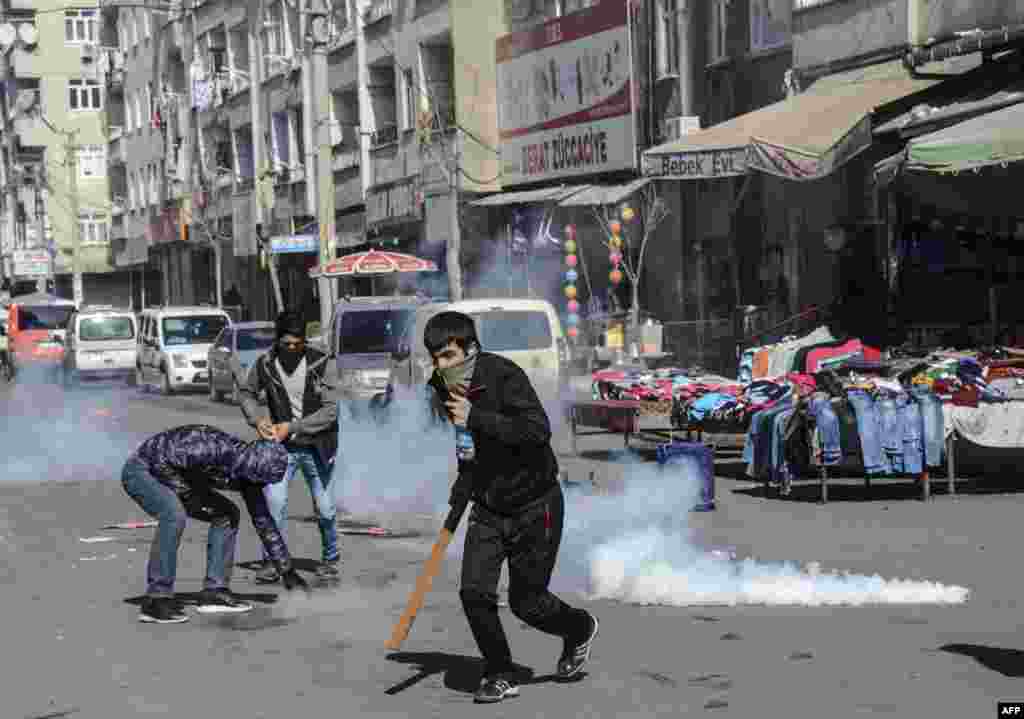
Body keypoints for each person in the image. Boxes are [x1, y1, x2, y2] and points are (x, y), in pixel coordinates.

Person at [423, 311, 599, 704]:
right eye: (434, 357)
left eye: (448, 356)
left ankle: (578, 628)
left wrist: (478, 417)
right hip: (488, 505)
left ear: (471, 349)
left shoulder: (504, 376)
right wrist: (462, 487)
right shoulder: (440, 386)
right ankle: (500, 672)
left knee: (527, 602)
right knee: (473, 592)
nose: (440, 366)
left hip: (536, 502)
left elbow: (537, 431)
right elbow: (466, 444)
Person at [121, 424, 311, 624]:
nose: (256, 485)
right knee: (174, 514)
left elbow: (262, 519)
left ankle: (215, 591)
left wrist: (287, 570)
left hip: (179, 479)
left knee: (227, 514)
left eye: (261, 482)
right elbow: (159, 460)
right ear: (249, 465)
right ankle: (156, 600)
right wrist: (187, 495)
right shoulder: (212, 447)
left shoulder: (249, 474)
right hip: (143, 470)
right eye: (256, 479)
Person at [233, 310, 341, 584]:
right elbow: (246, 392)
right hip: (281, 451)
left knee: (325, 508)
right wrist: (257, 419)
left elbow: (331, 411)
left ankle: (330, 558)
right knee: (275, 503)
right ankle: (273, 561)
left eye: (298, 343)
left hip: (317, 447)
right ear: (278, 341)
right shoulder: (265, 364)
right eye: (286, 344)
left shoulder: (322, 363)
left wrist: (290, 428)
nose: (292, 349)